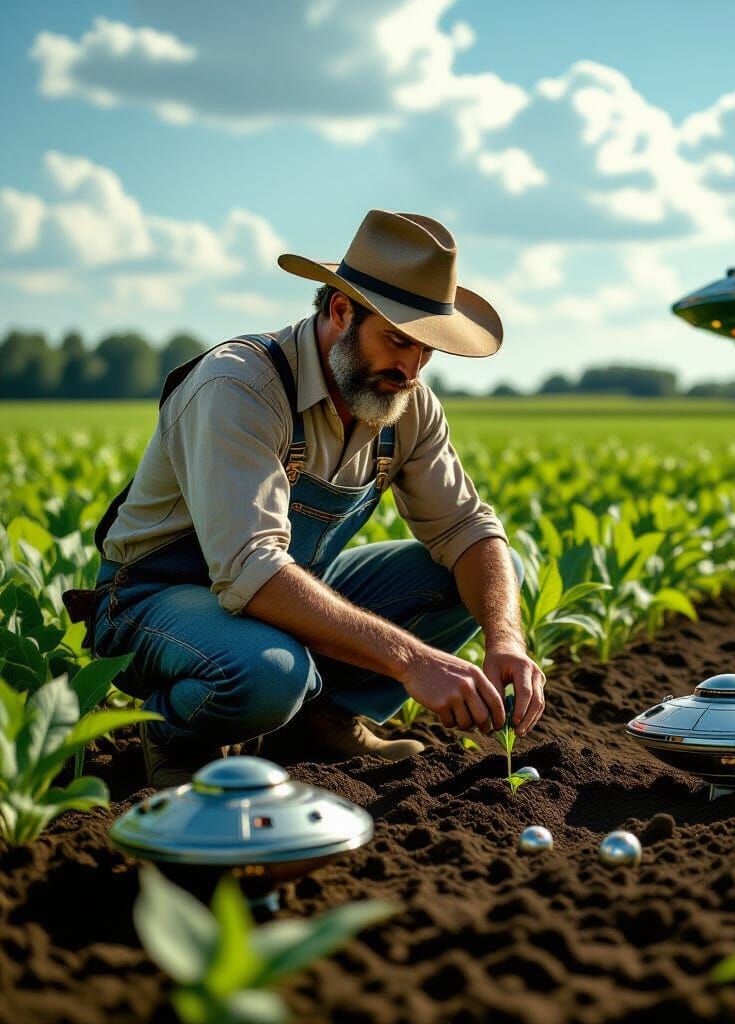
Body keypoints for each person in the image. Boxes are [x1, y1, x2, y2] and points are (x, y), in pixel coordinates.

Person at [87, 209, 545, 788]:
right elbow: (251, 567)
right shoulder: (240, 386)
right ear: (339, 311)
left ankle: (322, 721)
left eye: (427, 350)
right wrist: (414, 661)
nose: (410, 368)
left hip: (284, 597)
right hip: (156, 600)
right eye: (398, 340)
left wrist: (506, 638)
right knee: (272, 673)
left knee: (488, 572)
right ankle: (178, 731)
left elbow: (469, 529)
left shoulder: (407, 403)